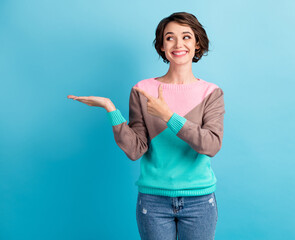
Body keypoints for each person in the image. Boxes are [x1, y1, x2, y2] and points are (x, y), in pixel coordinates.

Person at [68, 12, 225, 240]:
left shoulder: (211, 93)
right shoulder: (142, 90)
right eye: (170, 37)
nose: (178, 44)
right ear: (162, 46)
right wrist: (111, 109)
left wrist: (168, 115)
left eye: (186, 37)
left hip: (199, 201)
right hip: (153, 202)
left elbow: (211, 145)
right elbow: (135, 150)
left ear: (197, 43)